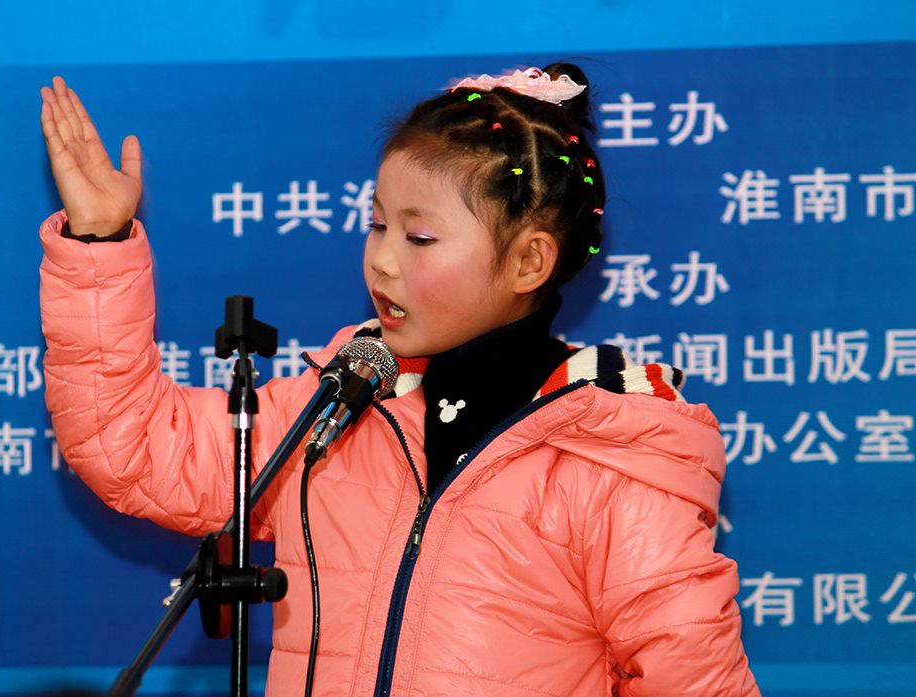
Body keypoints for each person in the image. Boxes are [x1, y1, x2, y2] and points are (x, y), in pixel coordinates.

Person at [39, 63, 761, 696]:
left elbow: (694, 679)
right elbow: (132, 445)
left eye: (418, 237)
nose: (382, 261)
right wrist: (98, 241)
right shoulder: (341, 406)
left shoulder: (608, 457)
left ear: (529, 262)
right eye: (377, 224)